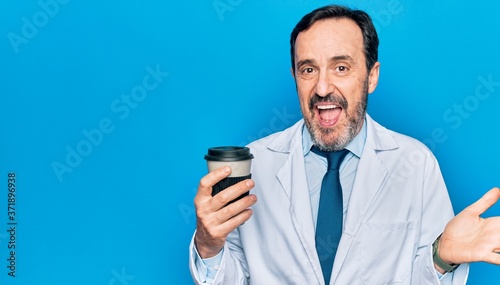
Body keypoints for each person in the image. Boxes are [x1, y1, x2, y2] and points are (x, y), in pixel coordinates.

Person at [189, 4, 500, 285]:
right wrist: (208, 244)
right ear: (295, 77)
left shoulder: (416, 163)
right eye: (308, 70)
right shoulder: (255, 163)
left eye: (341, 67)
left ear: (371, 76)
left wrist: (441, 256)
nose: (323, 88)